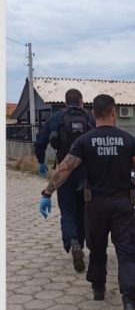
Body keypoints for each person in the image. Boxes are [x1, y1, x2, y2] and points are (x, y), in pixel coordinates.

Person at [38, 94, 135, 310]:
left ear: (93, 114)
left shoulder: (84, 141)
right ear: (114, 112)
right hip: (123, 204)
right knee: (127, 252)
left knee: (97, 248)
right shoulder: (128, 140)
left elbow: (65, 168)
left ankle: (99, 288)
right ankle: (129, 302)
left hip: (95, 205)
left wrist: (47, 192)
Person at [35, 88, 96, 272]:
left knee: (68, 211)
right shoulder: (89, 118)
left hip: (64, 171)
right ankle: (81, 241)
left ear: (65, 101)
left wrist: (41, 161)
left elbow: (40, 141)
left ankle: (73, 242)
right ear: (81, 101)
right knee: (83, 211)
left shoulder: (56, 117)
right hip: (87, 173)